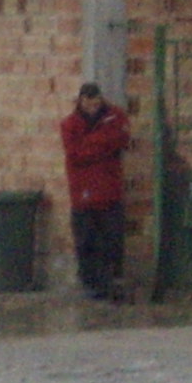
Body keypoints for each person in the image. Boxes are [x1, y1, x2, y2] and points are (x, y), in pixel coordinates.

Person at [58, 80, 132, 300]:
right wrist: (103, 144)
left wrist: (91, 144)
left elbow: (121, 139)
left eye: (96, 102)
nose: (92, 107)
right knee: (86, 240)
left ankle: (111, 282)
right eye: (88, 103)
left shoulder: (115, 116)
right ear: (80, 102)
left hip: (110, 192)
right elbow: (75, 153)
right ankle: (90, 284)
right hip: (83, 194)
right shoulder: (70, 124)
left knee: (112, 239)